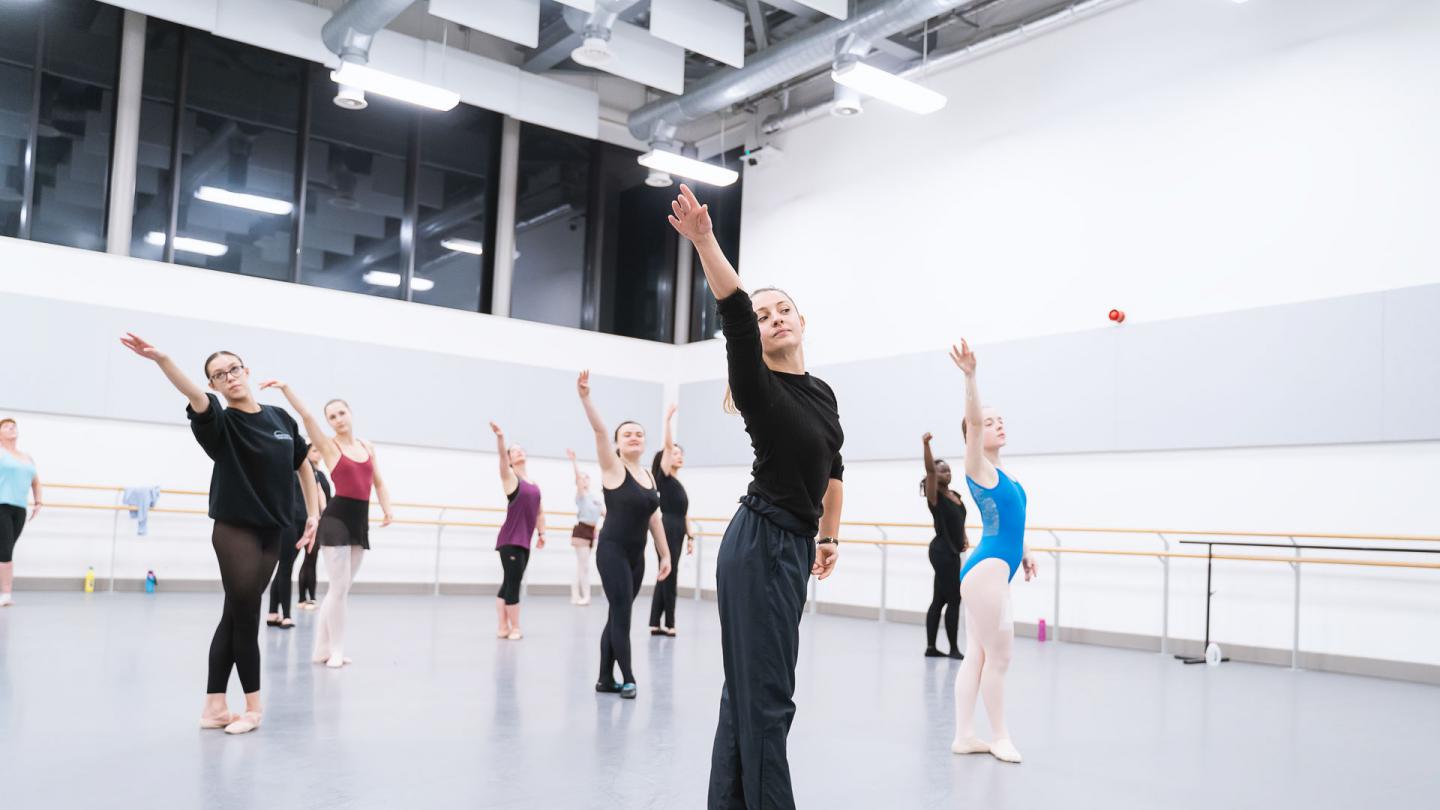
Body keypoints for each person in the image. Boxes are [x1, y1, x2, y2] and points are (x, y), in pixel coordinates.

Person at [668, 184, 843, 809]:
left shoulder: (821, 392)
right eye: (765, 315)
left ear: (802, 320)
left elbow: (834, 466)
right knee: (768, 697)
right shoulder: (756, 387)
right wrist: (705, 240)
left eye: (783, 310)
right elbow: (735, 313)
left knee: (747, 694)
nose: (773, 319)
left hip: (790, 546)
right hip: (761, 543)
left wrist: (827, 536)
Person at [119, 335, 318, 735]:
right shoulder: (220, 422)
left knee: (234, 613)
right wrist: (163, 359)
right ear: (213, 384)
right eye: (218, 375)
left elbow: (303, 465)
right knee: (246, 617)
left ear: (246, 370)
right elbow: (193, 394)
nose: (228, 377)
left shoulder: (280, 418)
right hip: (235, 530)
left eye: (233, 369)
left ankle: (213, 706)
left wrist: (313, 514)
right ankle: (254, 707)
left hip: (274, 532)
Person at [948, 339, 1038, 765]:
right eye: (988, 422)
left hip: (990, 568)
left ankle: (965, 735)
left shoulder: (1003, 474)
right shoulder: (977, 466)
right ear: (974, 434)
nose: (996, 425)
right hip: (986, 573)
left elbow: (1008, 523)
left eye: (1000, 420)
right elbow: (972, 420)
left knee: (979, 654)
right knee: (1000, 657)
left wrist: (1026, 550)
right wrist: (970, 377)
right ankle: (999, 736)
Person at [260, 383, 393, 668]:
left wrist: (388, 509)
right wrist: (285, 389)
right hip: (336, 519)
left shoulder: (367, 446)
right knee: (338, 587)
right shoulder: (328, 446)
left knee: (340, 590)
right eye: (332, 416)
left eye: (342, 413)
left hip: (360, 521)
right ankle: (336, 649)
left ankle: (321, 649)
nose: (338, 419)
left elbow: (378, 481)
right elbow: (306, 415)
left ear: (351, 414)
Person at [576, 370, 671, 700]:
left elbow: (655, 518)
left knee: (616, 614)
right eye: (627, 434)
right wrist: (586, 397)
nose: (634, 437)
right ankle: (628, 677)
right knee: (624, 615)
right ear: (618, 443)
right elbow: (601, 431)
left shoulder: (648, 475)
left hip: (637, 558)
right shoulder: (612, 468)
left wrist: (665, 555)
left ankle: (604, 678)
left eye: (639, 434)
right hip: (612, 552)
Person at [489, 421, 545, 640]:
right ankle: (515, 627)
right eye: (514, 451)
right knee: (513, 584)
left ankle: (502, 626)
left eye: (521, 449)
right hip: (510, 540)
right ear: (510, 459)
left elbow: (540, 512)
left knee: (508, 583)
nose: (519, 451)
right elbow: (502, 462)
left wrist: (542, 533)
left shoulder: (534, 484)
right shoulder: (512, 480)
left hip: (524, 541)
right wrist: (501, 439)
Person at [648, 403, 693, 637]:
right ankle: (670, 623)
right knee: (670, 573)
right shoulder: (663, 478)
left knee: (664, 572)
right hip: (666, 527)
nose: (679, 455)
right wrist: (667, 421)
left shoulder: (678, 485)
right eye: (675, 453)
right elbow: (667, 446)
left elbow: (685, 513)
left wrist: (691, 536)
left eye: (680, 453)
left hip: (678, 528)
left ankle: (655, 622)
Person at [922, 432, 967, 659]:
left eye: (948, 469)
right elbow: (929, 470)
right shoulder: (935, 496)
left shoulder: (955, 495)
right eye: (942, 470)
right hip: (942, 551)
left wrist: (964, 536)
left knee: (939, 599)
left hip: (952, 551)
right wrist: (926, 445)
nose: (946, 472)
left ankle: (931, 648)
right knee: (955, 599)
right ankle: (954, 649)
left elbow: (959, 520)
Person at [0, 418, 42, 607]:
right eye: (7, 427)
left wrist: (38, 501)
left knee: (5, 549)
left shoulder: (27, 457)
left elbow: (35, 481)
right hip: (1, 506)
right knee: (5, 552)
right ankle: (6, 594)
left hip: (19, 509)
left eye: (13, 426)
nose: (12, 428)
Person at [566, 448, 604, 606]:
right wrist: (574, 462)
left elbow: (604, 513)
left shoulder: (595, 497)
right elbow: (579, 481)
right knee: (585, 566)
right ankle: (586, 596)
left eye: (586, 477)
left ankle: (575, 595)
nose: (585, 479)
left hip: (591, 532)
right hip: (581, 531)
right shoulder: (580, 496)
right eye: (581, 478)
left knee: (581, 566)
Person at [296, 445, 330, 609]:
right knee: (301, 560)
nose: (318, 452)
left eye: (319, 450)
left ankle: (311, 597)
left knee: (311, 559)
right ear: (307, 453)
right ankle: (303, 598)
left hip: (319, 522)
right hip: (303, 519)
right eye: (314, 450)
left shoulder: (322, 475)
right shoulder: (303, 472)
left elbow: (326, 498)